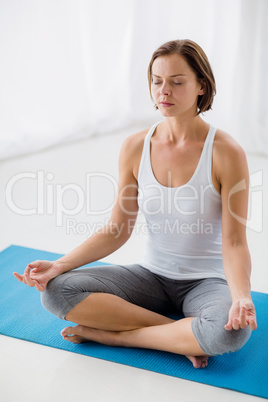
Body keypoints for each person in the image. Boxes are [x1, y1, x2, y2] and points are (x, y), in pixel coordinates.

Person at [14, 39, 257, 369]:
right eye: (157, 81)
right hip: (151, 277)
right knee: (56, 292)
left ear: (201, 86)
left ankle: (115, 336)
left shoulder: (226, 152)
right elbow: (117, 229)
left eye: (177, 82)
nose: (163, 91)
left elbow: (235, 242)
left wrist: (241, 296)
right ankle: (177, 335)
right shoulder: (135, 146)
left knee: (229, 333)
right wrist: (60, 265)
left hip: (207, 282)